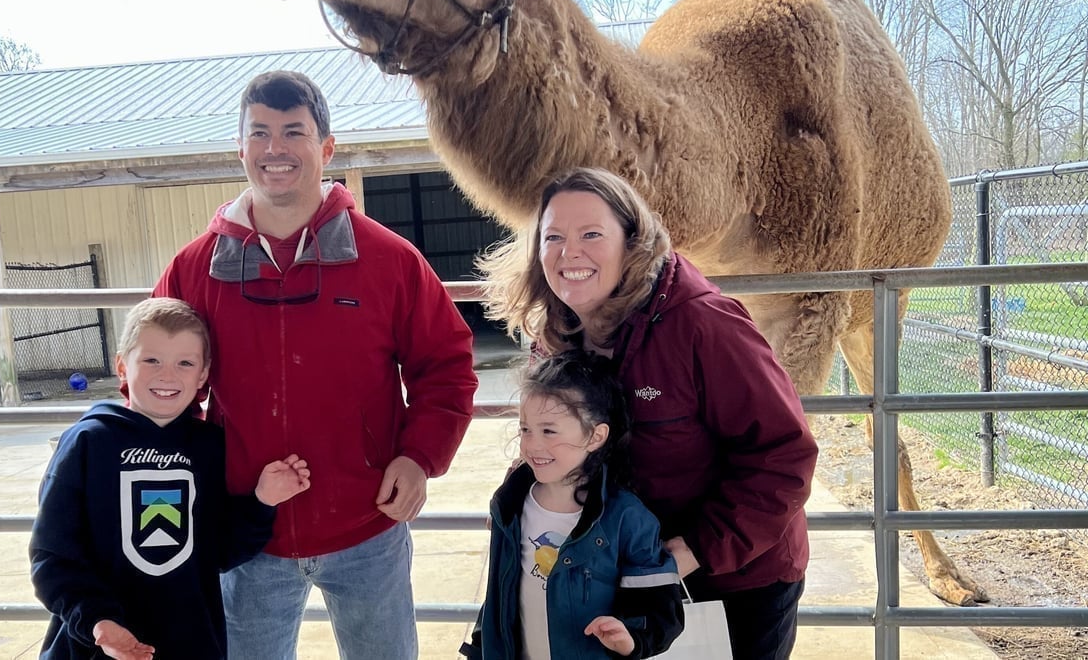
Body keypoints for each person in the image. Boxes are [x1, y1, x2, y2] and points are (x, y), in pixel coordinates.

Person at [153, 69, 478, 659]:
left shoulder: (389, 260)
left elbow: (447, 365)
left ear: (326, 148)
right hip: (247, 536)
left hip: (367, 525)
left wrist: (419, 456)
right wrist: (183, 479)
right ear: (241, 147)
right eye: (260, 133)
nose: (275, 149)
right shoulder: (194, 269)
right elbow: (155, 384)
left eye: (293, 132)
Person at [480, 167, 819, 660]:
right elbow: (565, 443)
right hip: (621, 570)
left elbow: (785, 458)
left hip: (731, 577)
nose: (568, 252)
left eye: (591, 234)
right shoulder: (555, 336)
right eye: (552, 237)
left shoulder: (704, 325)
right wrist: (526, 495)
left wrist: (692, 551)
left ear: (632, 241)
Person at [30, 297, 311, 660]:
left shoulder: (210, 448)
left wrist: (261, 501)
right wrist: (97, 620)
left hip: (190, 644)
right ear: (121, 366)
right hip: (94, 649)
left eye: (185, 363)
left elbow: (219, 551)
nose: (167, 375)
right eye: (151, 360)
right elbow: (52, 555)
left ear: (204, 374)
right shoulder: (87, 443)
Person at [462, 350, 685, 659]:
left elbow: (661, 609)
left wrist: (630, 637)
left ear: (596, 437)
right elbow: (499, 596)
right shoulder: (509, 504)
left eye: (549, 431)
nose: (532, 445)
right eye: (525, 429)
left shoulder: (628, 518)